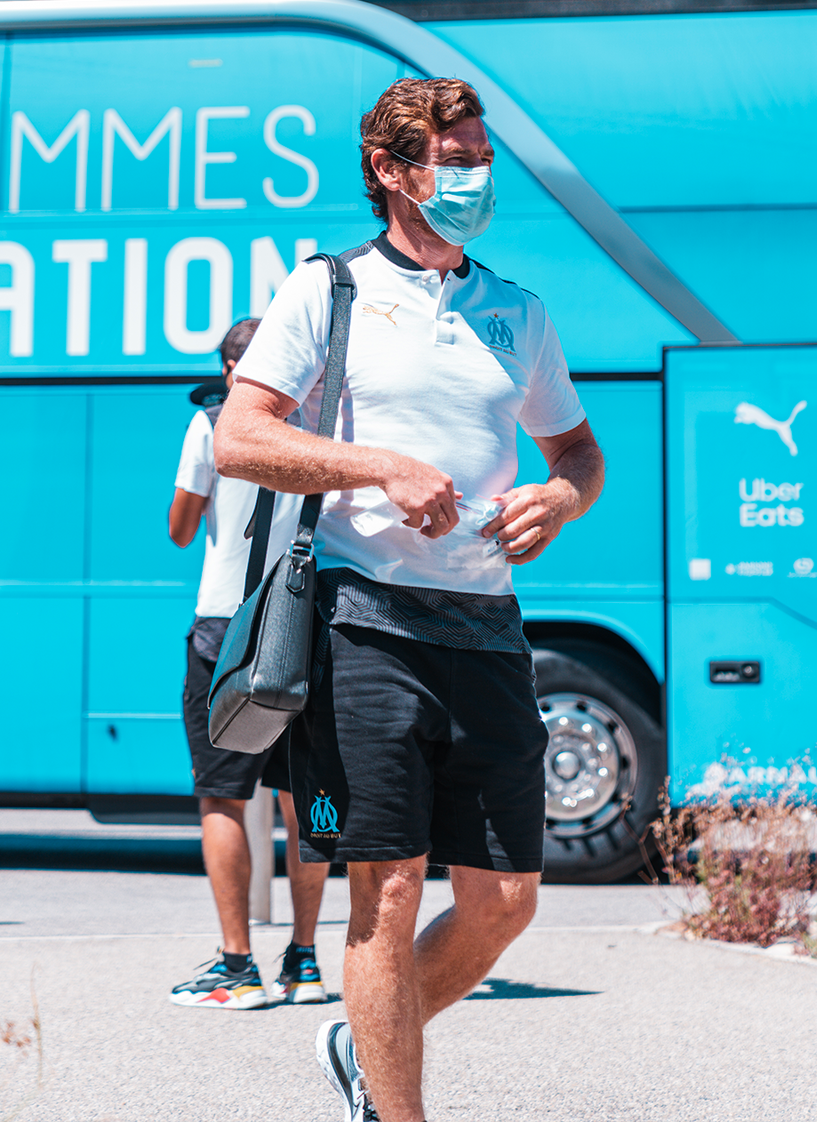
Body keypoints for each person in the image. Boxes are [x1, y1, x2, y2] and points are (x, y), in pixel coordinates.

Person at [215, 78, 604, 1119]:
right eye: (457, 159)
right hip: (364, 626)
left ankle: (362, 1037)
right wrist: (377, 464)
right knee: (386, 893)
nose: (476, 179)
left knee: (504, 905)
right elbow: (240, 438)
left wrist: (560, 495)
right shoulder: (326, 291)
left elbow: (576, 447)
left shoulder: (518, 311)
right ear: (390, 171)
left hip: (487, 632)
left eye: (482, 160)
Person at [167, 318, 330, 1010]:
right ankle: (305, 961)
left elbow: (179, 531)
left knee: (222, 795)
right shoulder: (323, 428)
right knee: (303, 803)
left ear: (231, 368)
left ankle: (237, 968)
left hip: (225, 632)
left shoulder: (211, 427)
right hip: (302, 628)